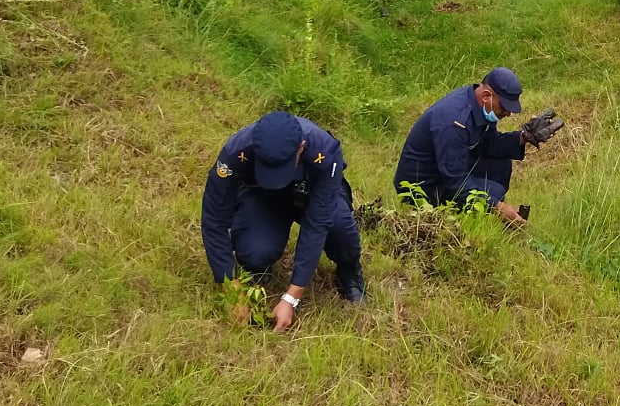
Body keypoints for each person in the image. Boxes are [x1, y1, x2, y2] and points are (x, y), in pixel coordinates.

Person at [201, 110, 364, 331]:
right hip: (264, 198)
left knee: (339, 227)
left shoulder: (325, 150)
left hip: (311, 195)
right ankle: (261, 263)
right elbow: (214, 220)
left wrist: (291, 297)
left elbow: (317, 224)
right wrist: (231, 290)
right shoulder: (235, 152)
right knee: (255, 252)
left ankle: (349, 269)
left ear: (301, 148)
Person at [394, 67, 564, 228]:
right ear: (486, 96)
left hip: (446, 169)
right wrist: (497, 206)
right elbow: (455, 181)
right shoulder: (454, 122)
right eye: (504, 107)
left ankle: (480, 213)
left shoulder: (478, 105)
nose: (507, 114)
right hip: (422, 187)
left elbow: (489, 145)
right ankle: (468, 224)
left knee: (501, 165)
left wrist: (523, 137)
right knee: (494, 191)